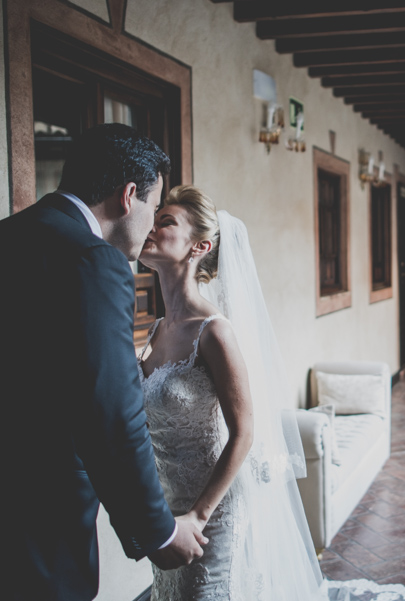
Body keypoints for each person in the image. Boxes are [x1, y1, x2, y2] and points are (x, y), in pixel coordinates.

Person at [0, 124, 206, 600]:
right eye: (154, 205)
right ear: (128, 195)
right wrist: (158, 532)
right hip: (38, 530)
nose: (153, 223)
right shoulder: (95, 261)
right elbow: (111, 414)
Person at [137, 185, 327, 600]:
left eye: (165, 221)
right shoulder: (157, 330)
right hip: (166, 509)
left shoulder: (214, 332)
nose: (150, 228)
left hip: (210, 512)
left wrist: (198, 517)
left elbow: (244, 432)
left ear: (199, 246)